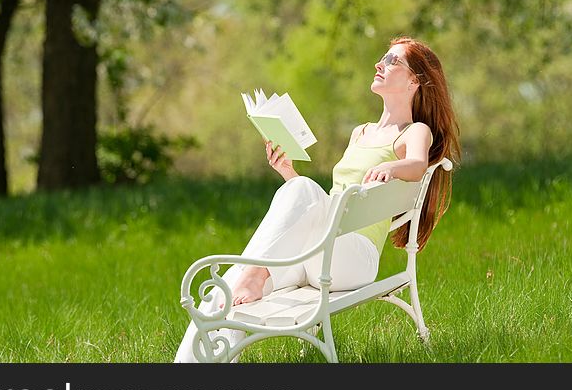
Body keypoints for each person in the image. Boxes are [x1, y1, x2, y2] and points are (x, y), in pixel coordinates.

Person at [173, 36, 460, 362]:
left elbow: (418, 165)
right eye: (383, 58)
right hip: (321, 252)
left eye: (392, 61)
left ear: (414, 80)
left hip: (353, 259)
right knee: (228, 287)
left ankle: (255, 275)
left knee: (297, 202)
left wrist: (393, 166)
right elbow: (322, 208)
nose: (380, 64)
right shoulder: (360, 133)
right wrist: (288, 172)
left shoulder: (414, 131)